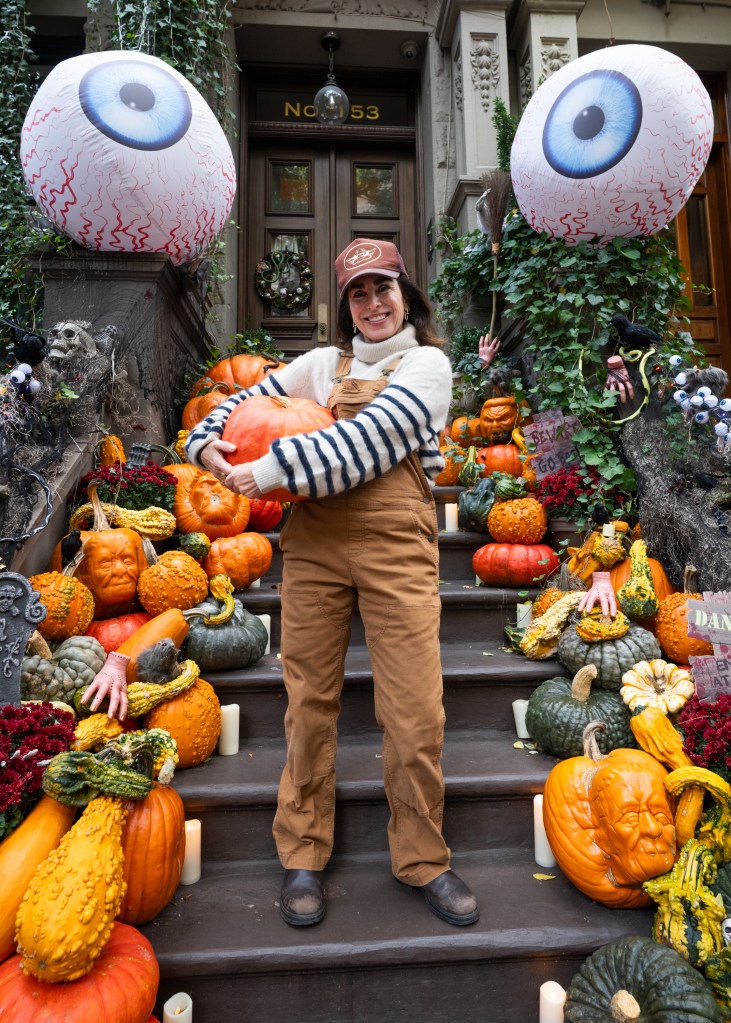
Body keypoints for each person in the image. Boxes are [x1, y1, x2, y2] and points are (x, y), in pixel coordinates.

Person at [185, 238, 480, 929]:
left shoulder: (427, 365)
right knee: (307, 702)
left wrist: (267, 471)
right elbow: (235, 405)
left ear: (406, 295)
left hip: (395, 545)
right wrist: (208, 444)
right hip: (314, 546)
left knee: (414, 710)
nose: (373, 303)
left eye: (384, 288)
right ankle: (303, 851)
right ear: (346, 306)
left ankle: (423, 856)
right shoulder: (322, 365)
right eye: (358, 293)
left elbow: (374, 436)